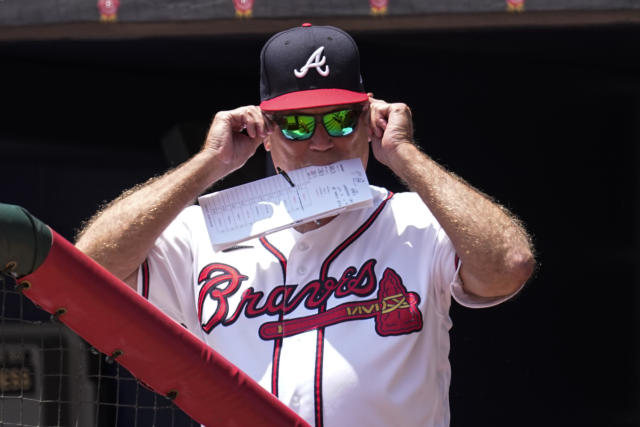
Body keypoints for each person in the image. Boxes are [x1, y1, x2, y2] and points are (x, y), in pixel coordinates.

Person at [76, 24, 535, 427]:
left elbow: (508, 266)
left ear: (368, 120)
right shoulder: (203, 230)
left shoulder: (418, 220)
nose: (320, 142)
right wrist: (208, 164)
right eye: (296, 125)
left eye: (338, 121)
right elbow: (87, 269)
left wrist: (404, 155)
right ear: (265, 132)